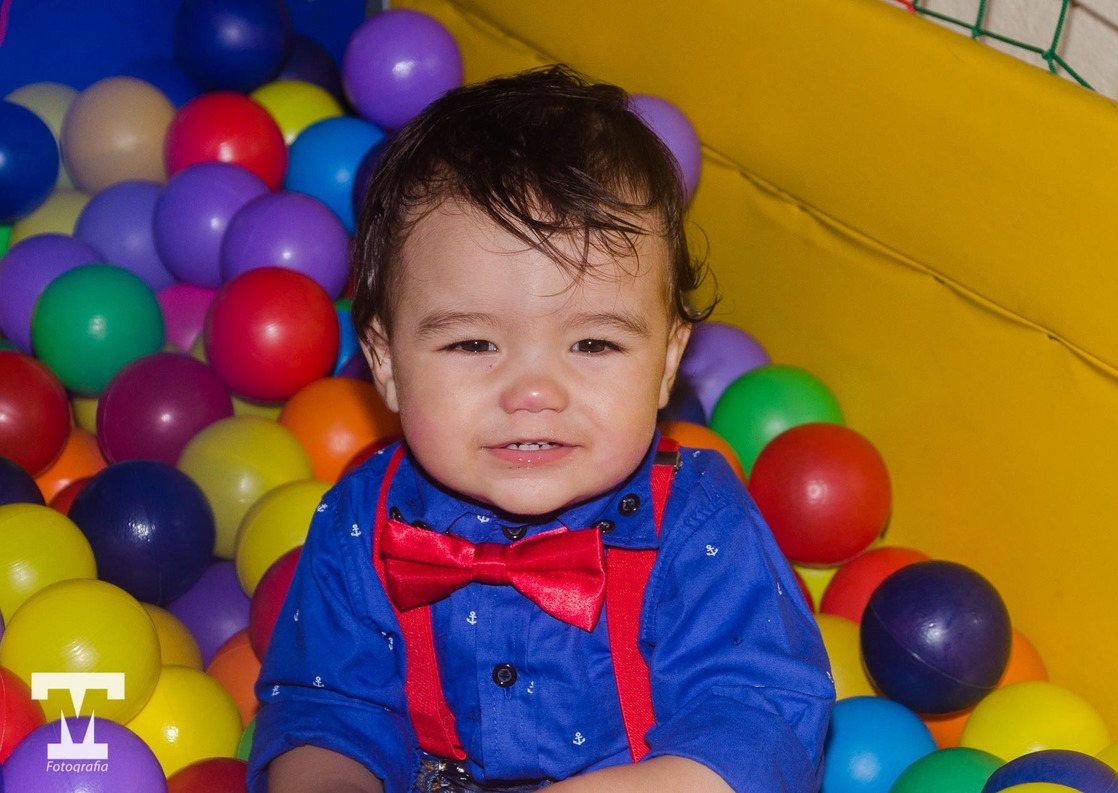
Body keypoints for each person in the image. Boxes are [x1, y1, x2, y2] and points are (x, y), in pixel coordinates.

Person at [248, 65, 834, 793]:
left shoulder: (699, 526)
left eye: (593, 344)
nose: (531, 391)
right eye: (472, 344)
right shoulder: (363, 519)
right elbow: (324, 708)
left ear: (665, 363)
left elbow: (758, 720)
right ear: (385, 362)